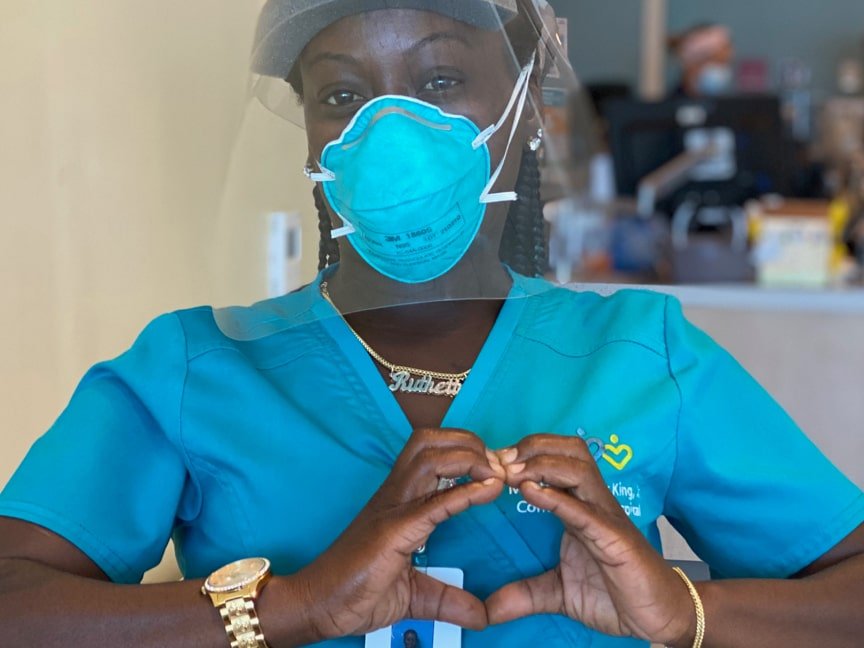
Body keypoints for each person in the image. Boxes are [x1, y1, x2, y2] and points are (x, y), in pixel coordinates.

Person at [0, 1, 863, 647]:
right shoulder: (195, 367)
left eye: (440, 80)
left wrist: (688, 610)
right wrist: (299, 605)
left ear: (524, 108)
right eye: (341, 92)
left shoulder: (644, 354)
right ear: (307, 140)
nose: (389, 129)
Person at [669, 23, 736, 98]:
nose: (721, 71)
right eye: (716, 63)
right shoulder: (666, 107)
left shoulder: (725, 106)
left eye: (725, 64)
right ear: (692, 64)